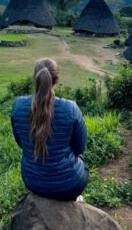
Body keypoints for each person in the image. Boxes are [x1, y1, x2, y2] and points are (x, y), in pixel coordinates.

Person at [10, 58, 88, 201]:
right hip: (70, 185)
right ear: (57, 79)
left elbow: (21, 144)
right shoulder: (71, 108)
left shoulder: (18, 106)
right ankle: (73, 200)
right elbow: (79, 148)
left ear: (34, 78)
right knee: (82, 161)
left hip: (33, 182)